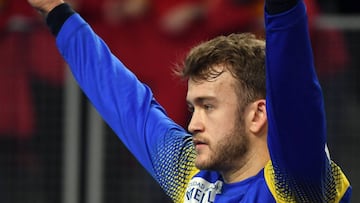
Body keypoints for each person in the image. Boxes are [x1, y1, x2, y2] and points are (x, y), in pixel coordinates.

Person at [27, 0, 352, 202]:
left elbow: (294, 89)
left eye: (209, 107)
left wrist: (282, 9)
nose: (193, 124)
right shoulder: (189, 173)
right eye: (193, 107)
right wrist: (57, 12)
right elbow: (117, 92)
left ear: (258, 115)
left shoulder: (295, 184)